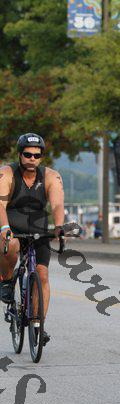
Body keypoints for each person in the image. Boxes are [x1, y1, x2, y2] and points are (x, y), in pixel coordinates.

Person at [0, 133, 65, 345]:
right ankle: (6, 280)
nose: (32, 159)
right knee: (11, 245)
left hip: (38, 230)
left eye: (37, 155)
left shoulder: (51, 176)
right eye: (27, 154)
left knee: (42, 274)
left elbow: (57, 204)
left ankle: (38, 324)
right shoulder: (6, 173)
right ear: (19, 154)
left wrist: (59, 227)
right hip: (11, 228)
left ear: (41, 157)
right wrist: (4, 228)